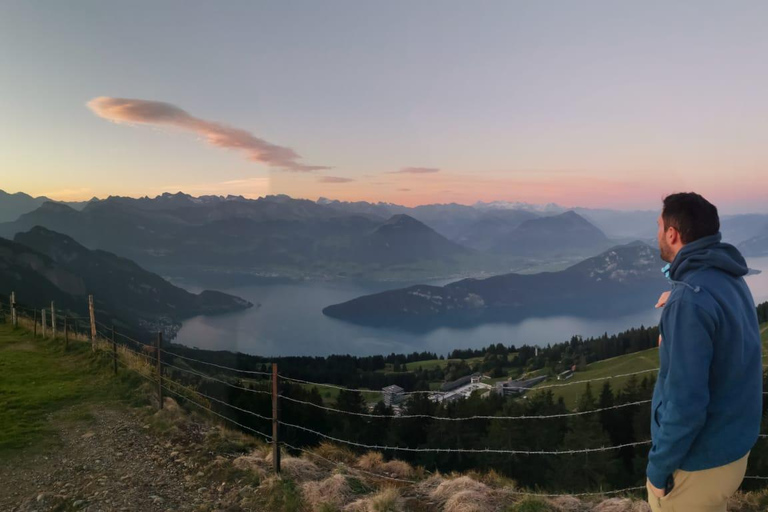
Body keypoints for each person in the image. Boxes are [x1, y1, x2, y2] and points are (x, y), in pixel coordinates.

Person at [646, 192, 762, 511]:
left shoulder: (690, 300)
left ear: (672, 233)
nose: (657, 234)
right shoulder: (726, 276)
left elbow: (686, 403)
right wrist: (681, 308)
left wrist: (658, 469)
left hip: (698, 464)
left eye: (658, 226)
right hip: (733, 450)